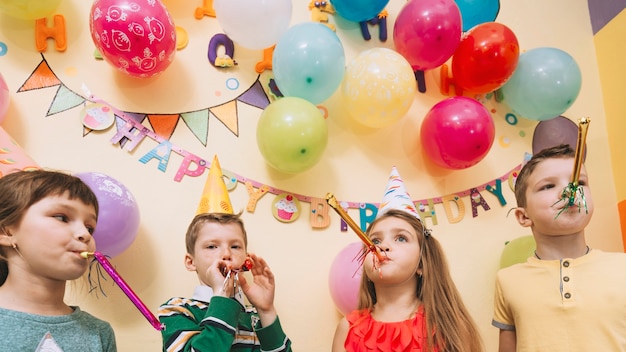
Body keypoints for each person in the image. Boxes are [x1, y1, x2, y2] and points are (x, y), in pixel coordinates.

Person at [332, 167, 483, 352]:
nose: (383, 246)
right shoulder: (347, 329)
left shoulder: (450, 327)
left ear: (422, 264)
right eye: (375, 240)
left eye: (401, 238)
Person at [492, 144, 626, 351]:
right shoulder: (507, 280)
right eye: (548, 186)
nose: (569, 191)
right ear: (524, 216)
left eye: (579, 182)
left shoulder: (622, 267)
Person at [158, 155, 292, 352]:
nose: (226, 254)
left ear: (246, 259)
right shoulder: (177, 310)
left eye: (235, 247)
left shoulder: (254, 317)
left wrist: (266, 310)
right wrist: (222, 296)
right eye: (212, 247)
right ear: (190, 261)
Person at [0, 169, 117, 352]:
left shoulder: (100, 333)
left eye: (90, 228)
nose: (84, 234)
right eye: (62, 218)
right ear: (5, 232)